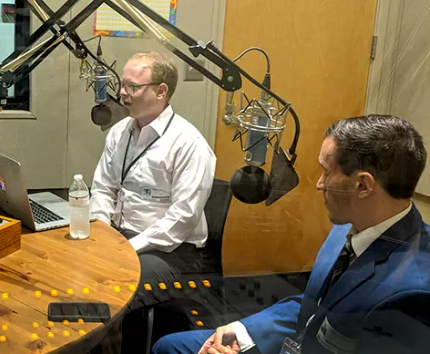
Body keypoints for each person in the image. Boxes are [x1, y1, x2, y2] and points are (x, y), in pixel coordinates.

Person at [153, 114, 430, 354]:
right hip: (301, 341)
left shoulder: (412, 294)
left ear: (362, 185)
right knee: (169, 346)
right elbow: (315, 305)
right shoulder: (350, 224)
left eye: (326, 172)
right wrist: (242, 332)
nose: (319, 184)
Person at [89, 52, 216, 351]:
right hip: (122, 238)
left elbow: (181, 220)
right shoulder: (121, 132)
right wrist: (103, 233)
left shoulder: (189, 144)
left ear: (161, 91)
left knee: (105, 290)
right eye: (122, 84)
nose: (122, 92)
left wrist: (123, 248)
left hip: (171, 251)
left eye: (133, 86)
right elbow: (103, 188)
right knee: (76, 268)